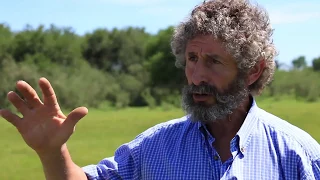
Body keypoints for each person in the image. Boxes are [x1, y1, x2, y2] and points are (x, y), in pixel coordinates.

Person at [1, 0, 320, 179]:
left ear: (253, 71)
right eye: (192, 58)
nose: (195, 76)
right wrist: (52, 152)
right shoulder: (154, 147)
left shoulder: (297, 155)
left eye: (213, 61)